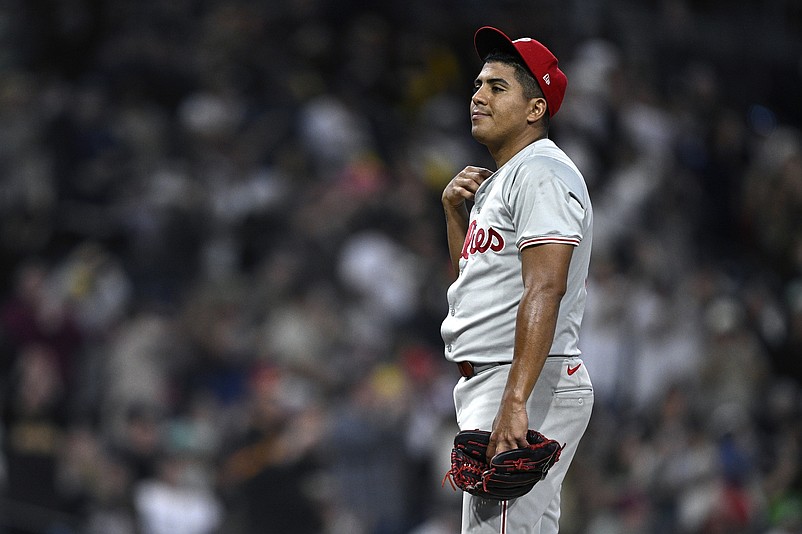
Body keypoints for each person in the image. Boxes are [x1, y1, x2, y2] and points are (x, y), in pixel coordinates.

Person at [440, 26, 594, 533]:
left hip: (524, 378)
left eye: (497, 87)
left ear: (535, 110)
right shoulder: (505, 179)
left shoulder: (541, 171)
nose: (478, 95)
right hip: (504, 376)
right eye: (479, 84)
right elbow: (474, 292)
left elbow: (545, 288)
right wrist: (455, 222)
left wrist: (515, 400)